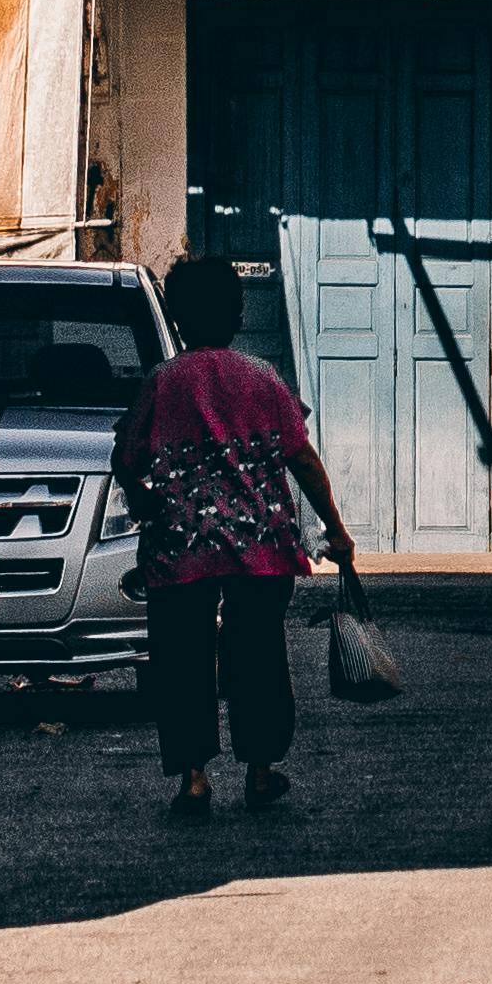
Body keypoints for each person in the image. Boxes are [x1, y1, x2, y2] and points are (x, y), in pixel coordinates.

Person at [110, 260, 356, 817]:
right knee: (258, 655)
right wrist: (335, 530)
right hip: (260, 549)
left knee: (181, 660)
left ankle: (194, 778)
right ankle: (262, 771)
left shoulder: (162, 383)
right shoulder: (264, 378)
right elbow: (302, 459)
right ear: (237, 314)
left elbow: (126, 457)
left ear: (175, 315)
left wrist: (146, 498)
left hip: (180, 549)